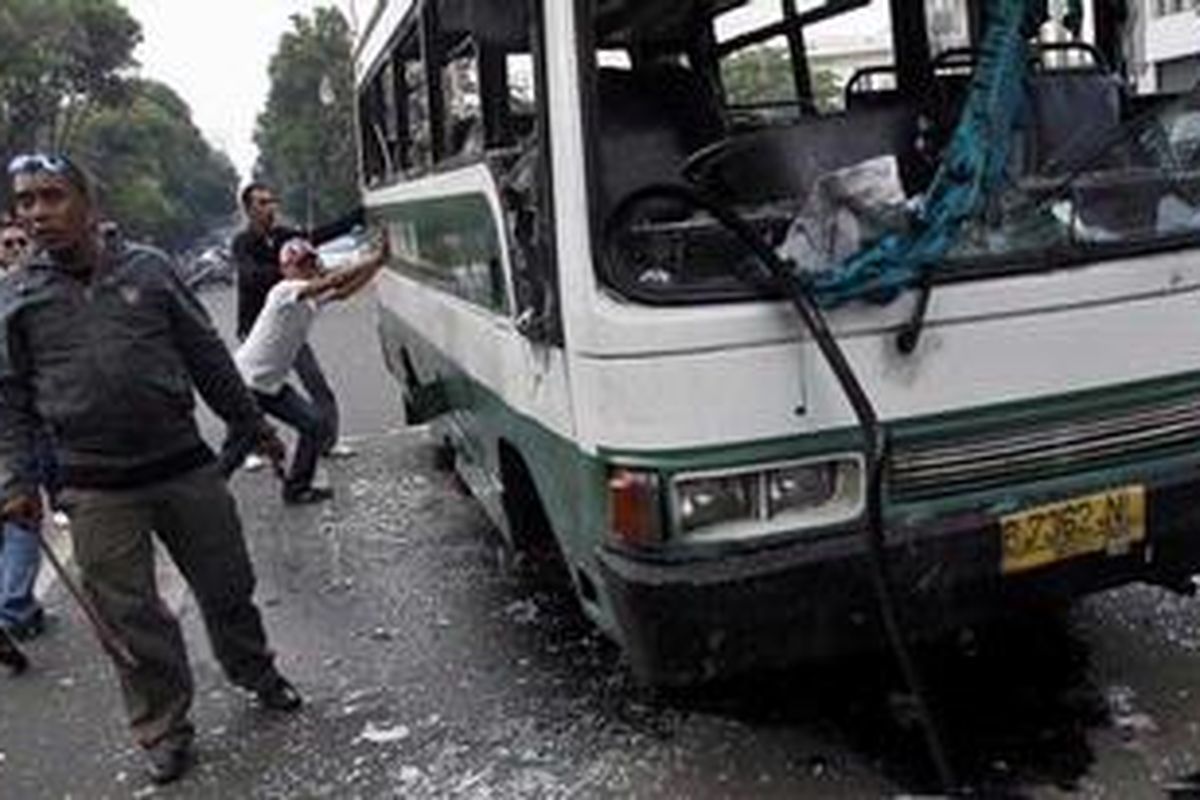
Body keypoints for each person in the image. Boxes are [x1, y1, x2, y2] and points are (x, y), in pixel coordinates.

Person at [0, 153, 299, 785]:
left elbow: (209, 358)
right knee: (130, 618)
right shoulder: (18, 297)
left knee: (227, 585)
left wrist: (255, 425)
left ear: (88, 202)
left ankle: (256, 671)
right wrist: (16, 481)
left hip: (184, 467)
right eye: (24, 201)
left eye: (50, 197)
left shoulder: (151, 269)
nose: (36, 213)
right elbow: (12, 402)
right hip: (94, 487)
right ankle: (164, 727)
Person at [220, 235, 389, 504]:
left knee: (314, 425)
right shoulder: (283, 291)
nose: (306, 269)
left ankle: (297, 489)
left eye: (310, 263)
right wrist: (373, 258)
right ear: (286, 269)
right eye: (300, 265)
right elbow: (331, 282)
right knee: (236, 449)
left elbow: (343, 292)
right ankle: (207, 497)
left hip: (271, 385)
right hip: (247, 384)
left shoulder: (308, 299)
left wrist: (377, 266)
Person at [231, 183, 363, 462]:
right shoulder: (242, 243)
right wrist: (292, 277)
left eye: (272, 201)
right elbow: (250, 276)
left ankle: (328, 441)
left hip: (290, 327)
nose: (270, 208)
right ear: (248, 210)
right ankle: (251, 447)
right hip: (257, 330)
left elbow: (316, 237)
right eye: (262, 203)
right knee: (253, 391)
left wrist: (357, 217)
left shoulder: (284, 237)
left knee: (317, 385)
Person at [0, 215, 47, 643]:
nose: (15, 249)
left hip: (41, 418)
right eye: (7, 244)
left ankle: (19, 604)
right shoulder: (8, 297)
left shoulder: (39, 288)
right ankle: (13, 609)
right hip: (16, 423)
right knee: (22, 512)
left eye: (20, 242)